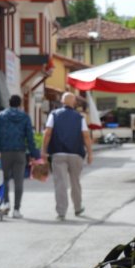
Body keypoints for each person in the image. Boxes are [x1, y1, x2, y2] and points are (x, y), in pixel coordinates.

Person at [42, 92, 93, 221]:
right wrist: (90, 153)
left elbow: (47, 133)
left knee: (61, 183)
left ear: (62, 102)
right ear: (74, 102)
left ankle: (61, 212)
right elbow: (86, 136)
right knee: (75, 182)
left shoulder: (53, 115)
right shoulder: (79, 117)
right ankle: (78, 207)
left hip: (58, 153)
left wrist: (43, 150)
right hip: (76, 153)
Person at [0, 95, 40, 219]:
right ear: (20, 104)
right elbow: (30, 137)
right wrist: (34, 154)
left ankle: (6, 204)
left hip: (5, 152)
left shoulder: (1, 116)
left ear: (9, 103)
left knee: (5, 179)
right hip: (20, 153)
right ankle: (17, 210)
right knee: (19, 181)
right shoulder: (25, 117)